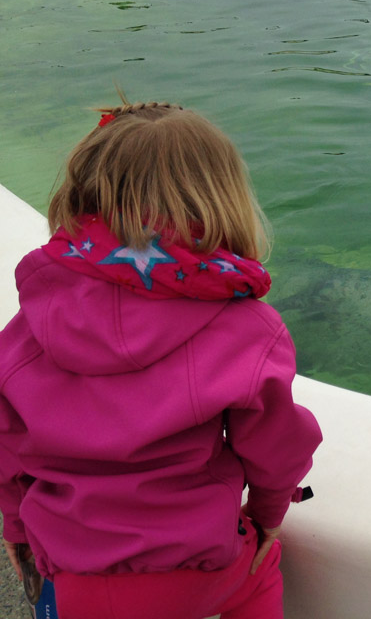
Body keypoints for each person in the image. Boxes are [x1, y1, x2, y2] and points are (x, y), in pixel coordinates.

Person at [0, 99, 323, 619]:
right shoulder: (245, 328)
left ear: (79, 196)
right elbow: (277, 449)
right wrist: (267, 517)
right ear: (224, 202)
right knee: (259, 571)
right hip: (199, 573)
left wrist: (16, 529)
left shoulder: (32, 322)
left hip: (73, 572)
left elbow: (9, 446)